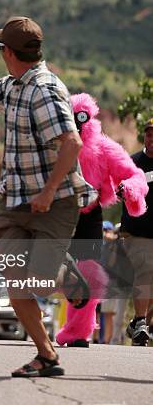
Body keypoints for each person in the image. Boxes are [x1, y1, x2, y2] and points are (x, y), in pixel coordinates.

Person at [0, 17, 98, 376]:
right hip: (14, 202)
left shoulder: (43, 90)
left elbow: (71, 143)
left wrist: (46, 192)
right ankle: (46, 354)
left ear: (7, 52)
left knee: (39, 279)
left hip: (53, 202)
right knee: (15, 280)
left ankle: (63, 274)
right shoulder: (14, 85)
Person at [54, 93, 148, 348]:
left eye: (82, 118)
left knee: (89, 272)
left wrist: (130, 188)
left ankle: (78, 332)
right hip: (56, 214)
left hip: (89, 215)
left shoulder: (104, 148)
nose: (77, 123)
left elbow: (134, 175)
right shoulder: (52, 143)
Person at [120, 118, 153, 346]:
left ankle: (138, 324)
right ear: (145, 137)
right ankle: (141, 322)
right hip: (137, 232)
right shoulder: (132, 164)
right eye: (150, 134)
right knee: (146, 271)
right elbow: (118, 190)